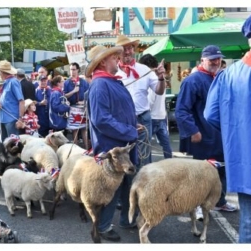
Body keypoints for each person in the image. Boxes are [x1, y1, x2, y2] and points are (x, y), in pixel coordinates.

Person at [204, 8, 251, 243]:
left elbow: (211, 115)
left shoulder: (229, 74)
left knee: (249, 230)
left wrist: (239, 129)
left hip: (247, 164)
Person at [175, 45, 237, 221]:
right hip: (202, 136)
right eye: (212, 59)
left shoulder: (221, 78)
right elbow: (181, 110)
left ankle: (220, 200)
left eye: (218, 58)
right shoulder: (192, 81)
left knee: (222, 170)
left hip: (222, 135)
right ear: (202, 59)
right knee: (202, 173)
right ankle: (198, 206)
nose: (216, 62)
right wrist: (192, 130)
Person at [86, 45, 139, 242]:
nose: (118, 59)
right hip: (113, 148)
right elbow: (101, 119)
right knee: (111, 187)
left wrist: (133, 125)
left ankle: (127, 218)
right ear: (103, 62)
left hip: (122, 143)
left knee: (126, 183)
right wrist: (129, 130)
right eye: (113, 57)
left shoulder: (110, 82)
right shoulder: (100, 85)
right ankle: (102, 225)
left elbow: (115, 112)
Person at [115, 34, 167, 169]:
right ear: (118, 52)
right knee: (124, 155)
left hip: (143, 118)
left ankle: (144, 187)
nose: (127, 51)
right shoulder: (113, 71)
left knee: (143, 156)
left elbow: (159, 91)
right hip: (122, 120)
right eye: (124, 48)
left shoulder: (144, 69)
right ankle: (129, 187)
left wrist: (161, 78)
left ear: (134, 50)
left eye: (130, 48)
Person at [139, 54, 172, 159]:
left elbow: (150, 101)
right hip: (162, 116)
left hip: (152, 117)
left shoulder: (149, 79)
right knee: (166, 144)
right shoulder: (159, 78)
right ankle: (170, 164)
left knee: (146, 145)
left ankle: (148, 167)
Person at [0, 60, 25, 142]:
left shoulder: (13, 82)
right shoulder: (6, 82)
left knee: (12, 143)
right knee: (4, 143)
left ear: (2, 72)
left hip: (11, 118)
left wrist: (20, 119)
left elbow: (21, 101)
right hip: (3, 117)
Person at [64, 62, 90, 149]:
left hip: (82, 108)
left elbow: (89, 94)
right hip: (72, 107)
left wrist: (83, 102)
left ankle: (86, 148)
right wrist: (74, 91)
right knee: (74, 130)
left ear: (78, 70)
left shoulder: (84, 82)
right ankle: (76, 149)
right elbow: (64, 96)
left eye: (74, 69)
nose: (72, 71)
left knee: (84, 129)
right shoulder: (66, 82)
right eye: (71, 69)